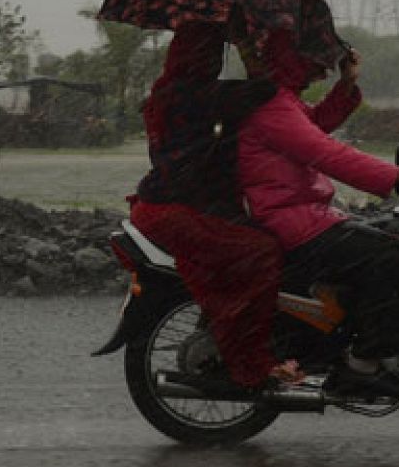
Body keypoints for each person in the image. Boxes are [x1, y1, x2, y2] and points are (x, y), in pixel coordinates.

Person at [234, 28, 399, 399]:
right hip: (290, 218)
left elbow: (313, 127)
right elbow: (327, 153)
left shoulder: (281, 101)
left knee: (380, 238)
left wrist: (347, 84)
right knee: (388, 252)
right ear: (291, 61)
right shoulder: (272, 107)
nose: (323, 71)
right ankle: (364, 364)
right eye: (315, 62)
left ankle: (360, 339)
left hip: (302, 212)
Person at [127, 21, 302, 392]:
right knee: (261, 252)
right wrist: (246, 48)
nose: (213, 61)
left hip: (164, 203)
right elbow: (265, 90)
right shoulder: (198, 95)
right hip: (179, 210)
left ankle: (237, 336)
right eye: (209, 53)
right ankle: (249, 362)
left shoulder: (168, 91)